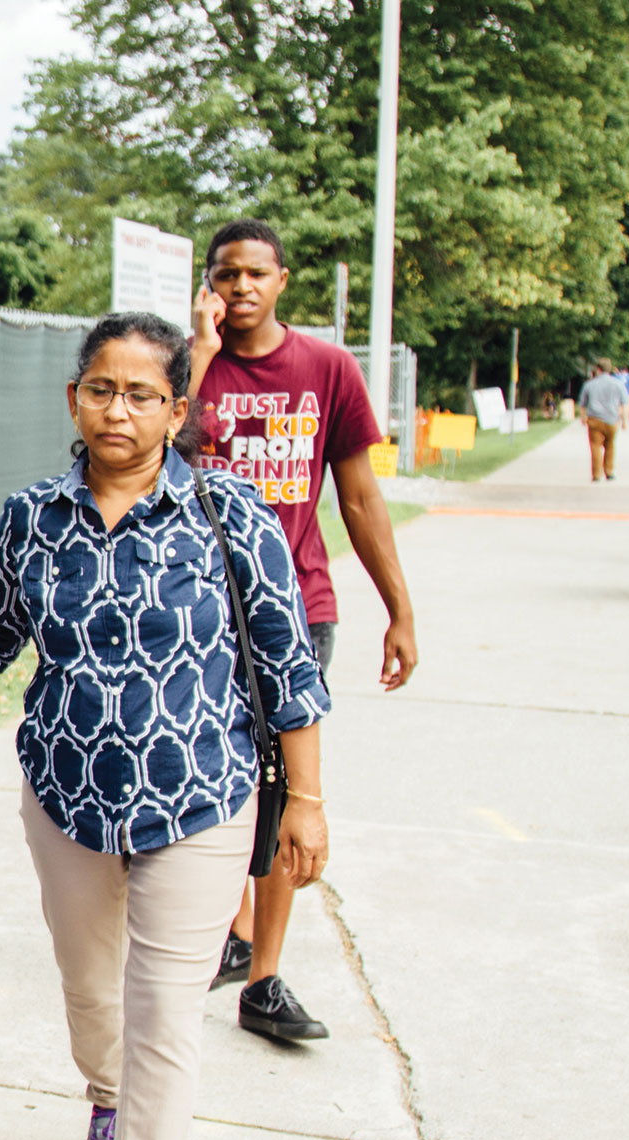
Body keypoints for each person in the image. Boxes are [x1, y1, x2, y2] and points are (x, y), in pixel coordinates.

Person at [0, 312, 330, 1140]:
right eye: (101, 389)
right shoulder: (32, 517)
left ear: (177, 409)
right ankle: (101, 1098)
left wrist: (308, 800)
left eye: (142, 393)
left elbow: (289, 667)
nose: (119, 409)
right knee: (88, 988)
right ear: (73, 399)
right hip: (65, 793)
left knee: (167, 1018)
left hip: (198, 800)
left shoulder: (228, 513)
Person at [188, 217, 416, 1042]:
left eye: (256, 273)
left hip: (296, 610)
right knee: (214, 780)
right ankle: (232, 931)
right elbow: (155, 459)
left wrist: (400, 609)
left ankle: (266, 977)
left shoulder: (327, 369)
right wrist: (201, 356)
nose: (241, 287)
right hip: (200, 614)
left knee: (284, 792)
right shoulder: (188, 371)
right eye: (225, 275)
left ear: (283, 279)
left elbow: (358, 498)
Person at [579, 359, 629, 481]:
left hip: (595, 419)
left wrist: (583, 417)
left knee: (595, 446)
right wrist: (625, 421)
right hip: (612, 419)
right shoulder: (618, 384)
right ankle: (609, 471)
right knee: (610, 445)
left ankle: (596, 474)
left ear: (598, 369)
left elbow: (582, 404)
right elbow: (624, 404)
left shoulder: (589, 384)